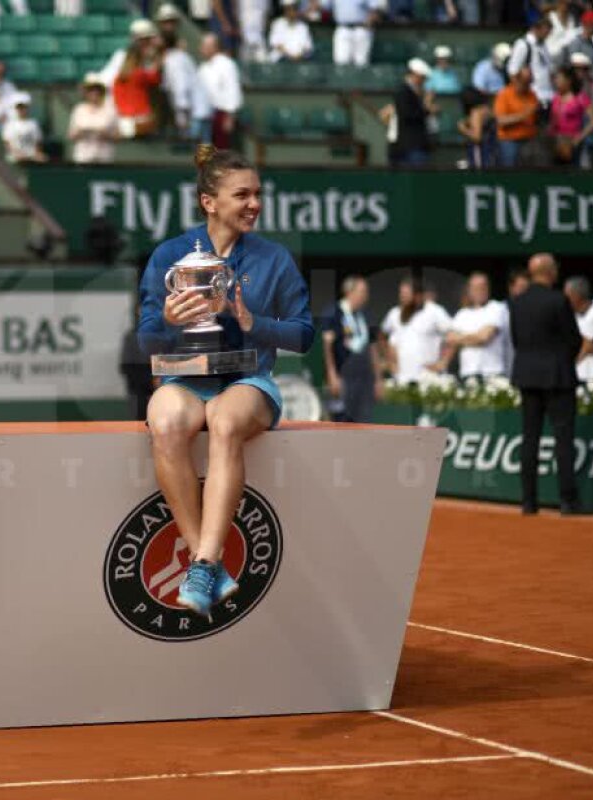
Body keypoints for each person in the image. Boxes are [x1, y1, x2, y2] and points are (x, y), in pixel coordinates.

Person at [139, 146, 313, 617]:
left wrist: (253, 322)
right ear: (209, 202)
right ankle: (207, 565)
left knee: (224, 420)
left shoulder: (275, 259)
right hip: (185, 378)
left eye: (257, 194)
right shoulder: (171, 255)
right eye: (242, 195)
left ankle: (203, 563)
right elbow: (146, 340)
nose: (254, 203)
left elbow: (303, 334)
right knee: (165, 421)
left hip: (248, 380)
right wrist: (169, 322)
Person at [508, 253, 582, 514]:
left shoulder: (517, 302)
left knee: (530, 438)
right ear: (551, 272)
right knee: (563, 439)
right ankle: (567, 501)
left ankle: (528, 502)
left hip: (527, 376)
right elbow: (573, 339)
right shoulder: (558, 300)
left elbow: (516, 340)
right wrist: (561, 360)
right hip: (557, 377)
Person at [320, 275, 379, 423]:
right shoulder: (334, 313)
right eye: (362, 291)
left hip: (364, 379)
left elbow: (373, 347)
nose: (365, 296)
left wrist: (378, 378)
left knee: (363, 421)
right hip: (343, 377)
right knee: (342, 420)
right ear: (349, 292)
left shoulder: (366, 315)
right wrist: (332, 375)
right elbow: (327, 346)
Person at [380, 276, 451, 383]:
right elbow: (382, 336)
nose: (402, 297)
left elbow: (452, 336)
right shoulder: (394, 313)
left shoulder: (434, 311)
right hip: (402, 378)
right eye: (401, 294)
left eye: (406, 294)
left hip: (427, 378)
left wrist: (443, 361)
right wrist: (390, 361)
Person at [446, 272, 508, 380]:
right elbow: (450, 339)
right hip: (467, 373)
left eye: (482, 287)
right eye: (475, 288)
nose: (479, 291)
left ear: (488, 289)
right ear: (469, 290)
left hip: (492, 373)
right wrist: (475, 337)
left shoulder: (497, 308)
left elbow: (484, 337)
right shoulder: (462, 314)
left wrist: (460, 338)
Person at [110, 20, 163, 139]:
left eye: (148, 39)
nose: (146, 43)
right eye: (143, 39)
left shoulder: (135, 68)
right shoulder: (122, 58)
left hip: (128, 117)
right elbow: (155, 78)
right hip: (135, 118)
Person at [197, 34, 242, 149]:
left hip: (222, 114)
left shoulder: (227, 64)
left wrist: (230, 116)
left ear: (214, 47)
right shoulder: (203, 68)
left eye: (204, 46)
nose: (200, 48)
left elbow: (232, 90)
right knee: (205, 152)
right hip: (205, 115)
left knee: (221, 151)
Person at [547, 66, 593, 167]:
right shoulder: (556, 97)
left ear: (568, 81)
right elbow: (553, 120)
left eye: (559, 79)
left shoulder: (580, 97)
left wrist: (578, 138)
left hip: (572, 141)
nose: (556, 82)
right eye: (556, 79)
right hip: (556, 141)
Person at [388, 59, 435, 167]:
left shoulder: (413, 92)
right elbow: (408, 114)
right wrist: (427, 110)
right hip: (410, 146)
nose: (424, 81)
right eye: (422, 77)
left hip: (413, 145)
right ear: (415, 75)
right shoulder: (403, 91)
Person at [494, 65, 540, 168]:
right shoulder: (504, 94)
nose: (526, 85)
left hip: (528, 139)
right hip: (509, 141)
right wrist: (523, 115)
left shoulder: (532, 95)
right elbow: (501, 121)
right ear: (515, 79)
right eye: (524, 81)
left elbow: (534, 117)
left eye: (529, 82)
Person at [67, 74, 119, 164]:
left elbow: (118, 136)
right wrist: (80, 133)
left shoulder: (111, 110)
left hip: (104, 158)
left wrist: (106, 135)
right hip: (82, 157)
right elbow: (71, 135)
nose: (94, 93)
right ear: (86, 92)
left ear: (102, 91)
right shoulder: (79, 110)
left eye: (97, 89)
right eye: (90, 90)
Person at [508, 16, 554, 107]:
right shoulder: (523, 44)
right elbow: (513, 72)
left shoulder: (543, 45)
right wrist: (521, 97)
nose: (548, 35)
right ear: (536, 29)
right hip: (532, 96)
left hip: (548, 95)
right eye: (546, 31)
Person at [159, 29, 198, 136]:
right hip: (189, 106)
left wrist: (182, 112)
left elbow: (181, 84)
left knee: (196, 141)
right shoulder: (178, 56)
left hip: (188, 109)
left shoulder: (174, 60)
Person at [332, 0, 384, 67]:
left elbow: (376, 8)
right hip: (343, 28)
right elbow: (323, 5)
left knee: (361, 63)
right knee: (341, 62)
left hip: (361, 29)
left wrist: (371, 20)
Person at [1, 93, 45, 163]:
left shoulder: (33, 124)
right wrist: (17, 154)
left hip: (31, 156)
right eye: (19, 108)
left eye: (24, 107)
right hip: (15, 158)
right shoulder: (9, 125)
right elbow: (7, 143)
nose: (21, 110)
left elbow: (38, 142)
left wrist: (37, 154)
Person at [458, 87, 496, 169]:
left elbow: (477, 138)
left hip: (480, 150)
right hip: (491, 149)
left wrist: (463, 129)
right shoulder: (486, 109)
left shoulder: (476, 112)